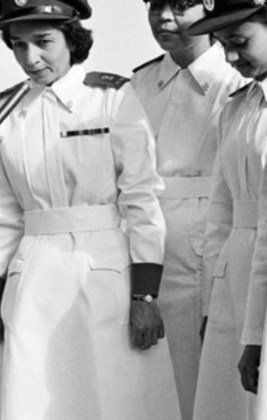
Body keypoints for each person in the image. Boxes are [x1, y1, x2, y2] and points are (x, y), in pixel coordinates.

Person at [0, 0, 182, 419]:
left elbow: (141, 197)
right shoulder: (4, 112)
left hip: (105, 275)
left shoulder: (110, 97)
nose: (30, 59)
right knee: (37, 401)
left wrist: (144, 293)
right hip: (33, 282)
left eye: (43, 42)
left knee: (114, 398)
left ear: (71, 36)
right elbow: (0, 215)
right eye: (18, 45)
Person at [130, 1, 245, 419]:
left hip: (208, 249)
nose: (164, 18)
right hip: (144, 250)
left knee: (207, 386)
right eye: (156, 5)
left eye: (179, 6)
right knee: (149, 387)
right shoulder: (138, 84)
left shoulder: (237, 79)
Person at [187, 2, 267, 418]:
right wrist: (210, 307)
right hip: (233, 283)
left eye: (241, 41)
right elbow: (220, 214)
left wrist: (255, 336)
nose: (232, 58)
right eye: (222, 45)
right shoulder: (237, 108)